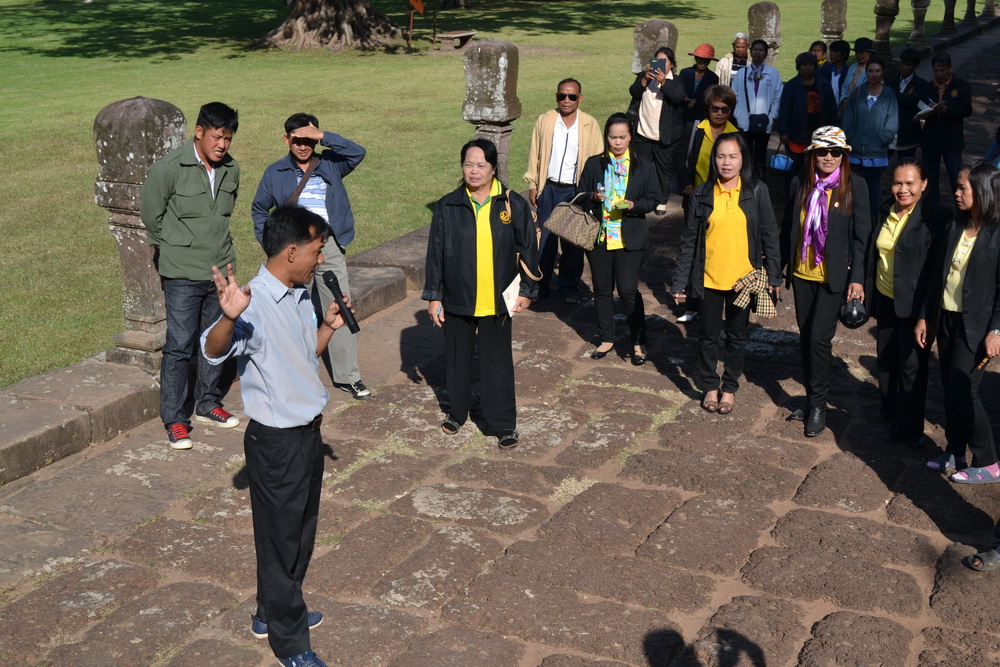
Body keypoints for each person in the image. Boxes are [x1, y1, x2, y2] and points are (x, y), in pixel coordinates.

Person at [201, 205, 352, 667]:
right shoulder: (253, 302)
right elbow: (212, 349)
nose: (320, 259)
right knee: (280, 541)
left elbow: (304, 356)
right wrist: (228, 318)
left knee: (299, 535)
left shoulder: (299, 294)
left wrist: (327, 327)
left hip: (306, 435)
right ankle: (291, 644)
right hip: (276, 443)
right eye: (316, 250)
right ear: (291, 251)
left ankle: (271, 611)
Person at [423, 139, 539, 450]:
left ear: (493, 168)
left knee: (497, 364)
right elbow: (436, 253)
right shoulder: (448, 206)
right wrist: (434, 296)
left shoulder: (512, 204)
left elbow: (528, 248)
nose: (474, 171)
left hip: (497, 300)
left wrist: (528, 291)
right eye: (468, 164)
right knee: (456, 360)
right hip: (457, 298)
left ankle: (502, 423)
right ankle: (457, 413)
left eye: (481, 165)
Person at [140, 102, 241, 450]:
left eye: (228, 138)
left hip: (220, 272)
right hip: (182, 273)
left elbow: (223, 216)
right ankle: (174, 419)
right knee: (180, 347)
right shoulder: (167, 169)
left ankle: (207, 403)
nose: (222, 145)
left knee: (214, 342)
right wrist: (177, 248)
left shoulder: (231, 169)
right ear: (199, 132)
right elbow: (151, 217)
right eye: (217, 137)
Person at [251, 113, 372, 401]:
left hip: (328, 246)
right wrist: (272, 246)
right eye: (297, 140)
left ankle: (348, 376)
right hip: (293, 251)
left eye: (309, 140)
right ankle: (294, 372)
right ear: (286, 140)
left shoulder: (330, 163)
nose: (303, 146)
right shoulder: (275, 172)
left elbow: (358, 152)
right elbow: (259, 209)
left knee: (339, 306)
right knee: (291, 310)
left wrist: (323, 136)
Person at [672, 133, 781, 414]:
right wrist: (679, 281)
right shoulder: (701, 194)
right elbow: (688, 240)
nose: (727, 162)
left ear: (743, 158)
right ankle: (710, 385)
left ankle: (730, 387)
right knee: (707, 336)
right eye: (721, 156)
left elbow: (770, 234)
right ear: (714, 159)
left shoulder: (757, 191)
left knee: (736, 337)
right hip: (708, 278)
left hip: (743, 280)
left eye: (733, 156)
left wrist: (774, 276)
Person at [783, 127, 871, 437]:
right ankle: (811, 399)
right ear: (812, 155)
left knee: (819, 339)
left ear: (844, 156)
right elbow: (788, 227)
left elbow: (862, 237)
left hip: (835, 277)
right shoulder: (799, 183)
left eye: (836, 152)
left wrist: (858, 278)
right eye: (823, 151)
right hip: (802, 274)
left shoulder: (855, 186)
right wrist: (777, 269)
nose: (829, 157)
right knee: (806, 338)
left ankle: (819, 405)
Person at [916, 161, 1000, 485]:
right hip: (946, 320)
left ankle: (989, 461)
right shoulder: (955, 225)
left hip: (977, 327)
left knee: (966, 391)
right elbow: (936, 275)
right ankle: (955, 451)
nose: (956, 192)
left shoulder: (997, 233)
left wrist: (996, 330)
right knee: (951, 389)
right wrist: (925, 316)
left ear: (983, 191)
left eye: (963, 187)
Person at [870, 159, 950, 447]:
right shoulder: (885, 209)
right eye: (897, 183)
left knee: (912, 367)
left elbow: (937, 272)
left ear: (924, 184)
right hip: (885, 298)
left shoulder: (937, 217)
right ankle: (890, 413)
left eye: (909, 183)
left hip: (916, 306)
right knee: (886, 360)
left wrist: (926, 315)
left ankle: (910, 428)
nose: (902, 189)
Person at [578, 113, 663, 365]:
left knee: (627, 290)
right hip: (599, 236)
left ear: (630, 137)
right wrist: (592, 197)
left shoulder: (644, 165)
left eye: (622, 137)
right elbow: (579, 194)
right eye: (612, 137)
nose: (617, 142)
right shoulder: (594, 163)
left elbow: (653, 198)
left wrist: (634, 205)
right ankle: (606, 337)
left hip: (630, 237)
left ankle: (638, 340)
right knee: (602, 289)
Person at [523, 78, 603, 304]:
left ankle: (569, 288)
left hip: (575, 191)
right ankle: (541, 286)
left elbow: (597, 160)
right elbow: (535, 152)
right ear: (556, 97)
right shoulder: (546, 120)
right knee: (544, 242)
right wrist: (533, 184)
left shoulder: (589, 124)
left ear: (580, 98)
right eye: (562, 96)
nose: (567, 100)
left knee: (573, 243)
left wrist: (591, 193)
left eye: (572, 96)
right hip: (549, 188)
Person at [841, 57, 899, 220]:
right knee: (854, 186)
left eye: (877, 71)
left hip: (876, 152)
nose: (874, 74)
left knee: (873, 187)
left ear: (883, 72)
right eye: (871, 71)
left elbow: (892, 122)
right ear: (866, 73)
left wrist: (881, 139)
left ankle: (872, 218)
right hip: (855, 151)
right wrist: (851, 138)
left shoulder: (889, 95)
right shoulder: (857, 92)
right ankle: (853, 218)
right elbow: (848, 118)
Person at [630, 46, 686, 209]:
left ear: (672, 64)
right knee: (642, 167)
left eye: (664, 61)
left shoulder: (677, 81)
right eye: (657, 60)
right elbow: (633, 92)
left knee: (663, 170)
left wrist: (663, 82)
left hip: (665, 136)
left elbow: (677, 97)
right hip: (643, 133)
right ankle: (643, 197)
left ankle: (661, 200)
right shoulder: (645, 76)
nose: (660, 64)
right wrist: (643, 81)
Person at [920, 52, 973, 204]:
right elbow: (920, 105)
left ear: (950, 68)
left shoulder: (961, 86)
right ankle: (932, 209)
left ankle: (961, 208)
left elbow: (966, 110)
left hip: (951, 139)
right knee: (930, 179)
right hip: (930, 139)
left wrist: (947, 110)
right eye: (936, 70)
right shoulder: (927, 87)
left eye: (942, 70)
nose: (939, 74)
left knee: (956, 177)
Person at [778, 52, 839, 180]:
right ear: (798, 67)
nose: (807, 68)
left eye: (810, 65)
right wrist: (783, 131)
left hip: (820, 133)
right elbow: (784, 110)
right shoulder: (791, 86)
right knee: (794, 168)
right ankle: (793, 191)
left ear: (815, 67)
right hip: (797, 134)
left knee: (817, 167)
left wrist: (834, 129)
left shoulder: (823, 84)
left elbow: (832, 108)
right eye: (804, 65)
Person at [731, 39, 783, 180]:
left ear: (765, 53)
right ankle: (744, 184)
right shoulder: (742, 73)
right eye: (755, 49)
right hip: (744, 121)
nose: (758, 52)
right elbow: (734, 95)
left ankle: (760, 185)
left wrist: (772, 116)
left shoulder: (773, 74)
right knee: (744, 156)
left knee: (760, 157)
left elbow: (777, 97)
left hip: (763, 121)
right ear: (751, 52)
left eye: (761, 50)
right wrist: (737, 115)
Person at [886, 48, 927, 160]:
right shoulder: (890, 80)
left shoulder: (921, 84)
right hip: (889, 130)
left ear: (915, 66)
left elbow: (912, 101)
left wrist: (893, 94)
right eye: (903, 63)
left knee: (905, 163)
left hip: (908, 132)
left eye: (908, 65)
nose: (904, 67)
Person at [679, 44, 720, 130]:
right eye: (701, 59)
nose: (703, 62)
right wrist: (683, 96)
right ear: (696, 58)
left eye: (707, 60)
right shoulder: (684, 73)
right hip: (682, 115)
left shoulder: (713, 78)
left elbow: (711, 99)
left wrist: (697, 101)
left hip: (700, 117)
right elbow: (678, 89)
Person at [840, 37, 874, 112]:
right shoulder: (852, 67)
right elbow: (844, 86)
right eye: (857, 52)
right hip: (847, 107)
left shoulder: (873, 69)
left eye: (862, 52)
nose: (858, 55)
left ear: (870, 53)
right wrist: (844, 99)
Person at [817, 39, 850, 109]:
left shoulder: (849, 73)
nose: (831, 54)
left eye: (835, 52)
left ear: (844, 55)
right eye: (831, 51)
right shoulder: (823, 70)